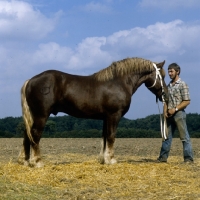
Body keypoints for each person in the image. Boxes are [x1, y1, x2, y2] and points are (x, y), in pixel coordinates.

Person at [157, 63, 194, 163]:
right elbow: (165, 100)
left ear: (178, 72)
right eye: (169, 71)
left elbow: (187, 101)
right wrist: (165, 111)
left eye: (171, 71)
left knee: (184, 137)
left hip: (179, 114)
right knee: (166, 137)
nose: (169, 73)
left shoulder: (183, 84)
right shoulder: (168, 86)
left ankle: (188, 159)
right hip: (169, 114)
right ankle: (162, 158)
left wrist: (175, 109)